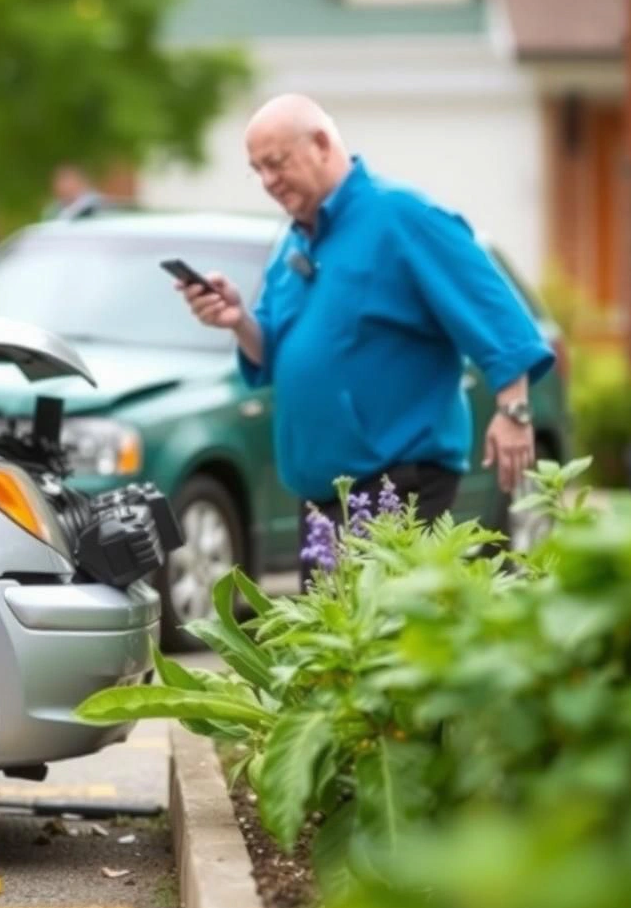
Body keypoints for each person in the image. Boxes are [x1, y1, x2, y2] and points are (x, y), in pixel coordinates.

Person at [173, 94, 554, 586]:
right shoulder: (294, 241)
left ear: (322, 144)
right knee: (336, 651)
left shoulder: (401, 216)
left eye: (277, 163)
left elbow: (496, 312)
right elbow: (272, 352)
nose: (268, 181)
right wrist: (238, 320)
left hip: (398, 479)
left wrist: (514, 410)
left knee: (380, 648)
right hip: (322, 493)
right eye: (257, 170)